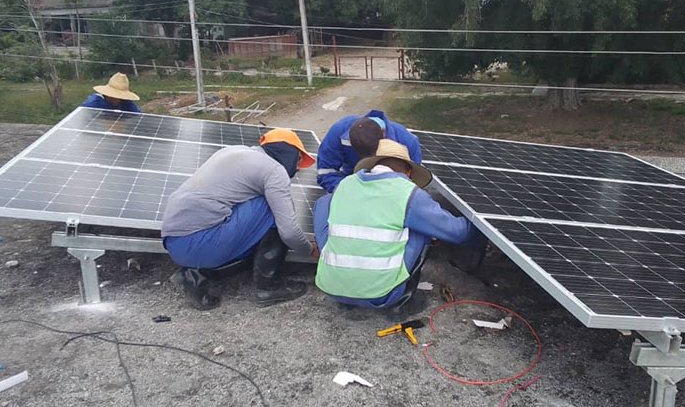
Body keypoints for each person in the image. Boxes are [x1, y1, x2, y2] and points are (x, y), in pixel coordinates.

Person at [313, 139, 483, 309]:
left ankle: (336, 268)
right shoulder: (408, 193)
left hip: (331, 288)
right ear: (408, 172)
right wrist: (483, 232)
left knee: (329, 208)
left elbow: (324, 207)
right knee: (421, 224)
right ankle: (401, 290)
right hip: (381, 295)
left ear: (374, 165)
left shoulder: (345, 184)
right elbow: (458, 232)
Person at [161, 128, 317, 310]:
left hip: (174, 243)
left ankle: (197, 273)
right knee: (271, 207)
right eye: (298, 159)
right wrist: (309, 249)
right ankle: (267, 288)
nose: (298, 168)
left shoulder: (232, 150)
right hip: (201, 245)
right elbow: (289, 231)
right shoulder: (274, 170)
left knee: (254, 215)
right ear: (288, 152)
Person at [316, 110, 421, 193]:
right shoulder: (339, 130)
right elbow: (325, 172)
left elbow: (412, 185)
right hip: (350, 185)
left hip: (390, 192)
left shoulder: (407, 142)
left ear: (384, 137)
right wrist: (347, 191)